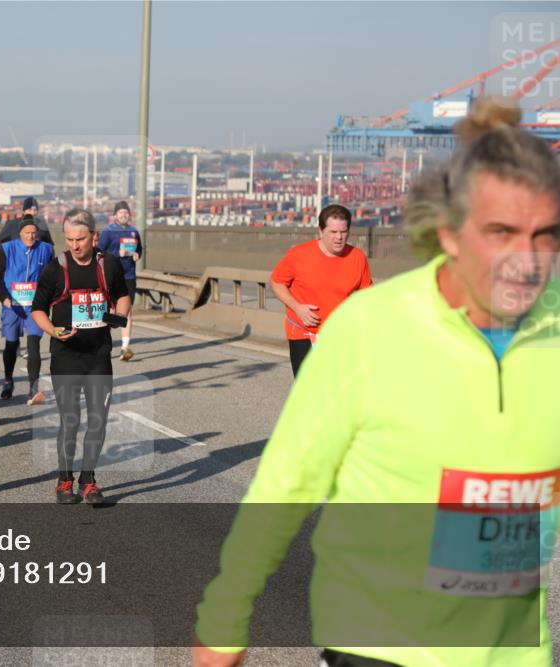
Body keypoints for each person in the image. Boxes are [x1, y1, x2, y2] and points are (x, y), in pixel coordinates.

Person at [193, 97, 560, 667]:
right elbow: (287, 481)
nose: (527, 260)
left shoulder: (554, 329)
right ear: (451, 233)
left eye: (546, 235)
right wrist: (225, 619)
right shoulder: (371, 331)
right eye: (502, 232)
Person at [30, 209, 131, 506]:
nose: (75, 246)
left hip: (99, 355)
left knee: (98, 420)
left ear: (94, 236)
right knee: (70, 420)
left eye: (81, 239)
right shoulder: (54, 269)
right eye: (70, 239)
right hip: (65, 356)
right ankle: (64, 481)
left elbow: (123, 295)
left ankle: (89, 481)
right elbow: (37, 309)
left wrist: (119, 316)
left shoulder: (108, 265)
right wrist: (53, 331)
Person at [269, 204, 373, 376]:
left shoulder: (357, 258)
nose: (339, 237)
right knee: (308, 390)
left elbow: (367, 296)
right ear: (320, 231)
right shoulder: (299, 254)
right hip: (303, 331)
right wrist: (298, 308)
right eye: (333, 232)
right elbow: (277, 282)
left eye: (343, 232)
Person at [0, 216, 54, 404]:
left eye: (33, 233)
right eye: (27, 233)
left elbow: (53, 276)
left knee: (34, 345)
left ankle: (33, 389)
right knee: (11, 344)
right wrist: (4, 298)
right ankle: (8, 380)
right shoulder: (8, 249)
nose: (30, 236)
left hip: (35, 307)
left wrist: (48, 299)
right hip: (13, 306)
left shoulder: (46, 250)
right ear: (20, 233)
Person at [98, 200, 144, 361]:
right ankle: (105, 343)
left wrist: (138, 255)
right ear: (115, 215)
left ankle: (125, 347)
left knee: (128, 310)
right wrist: (118, 253)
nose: (124, 215)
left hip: (129, 276)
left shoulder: (134, 231)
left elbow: (139, 249)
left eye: (126, 212)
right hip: (112, 276)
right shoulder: (108, 232)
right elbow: (99, 252)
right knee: (111, 311)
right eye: (120, 213)